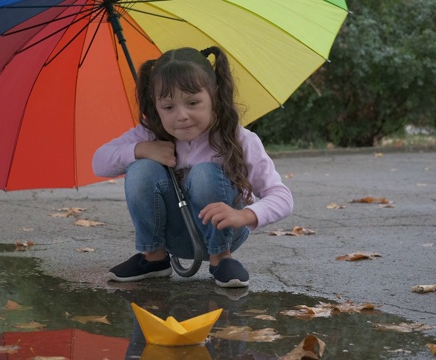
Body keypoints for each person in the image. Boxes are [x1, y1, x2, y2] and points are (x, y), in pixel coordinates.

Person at [92, 46, 293, 287]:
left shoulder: (238, 138)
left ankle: (221, 259)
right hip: (173, 234)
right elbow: (99, 161)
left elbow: (282, 197)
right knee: (140, 169)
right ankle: (153, 258)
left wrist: (244, 215)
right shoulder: (151, 133)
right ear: (155, 105)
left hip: (224, 231)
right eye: (168, 107)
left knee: (204, 173)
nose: (182, 115)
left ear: (214, 96)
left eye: (193, 102)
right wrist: (141, 149)